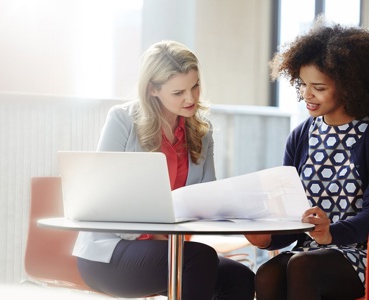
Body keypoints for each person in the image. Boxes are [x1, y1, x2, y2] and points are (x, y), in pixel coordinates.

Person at [73, 40, 255, 300]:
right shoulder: (123, 119)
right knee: (200, 258)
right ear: (152, 90)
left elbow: (207, 196)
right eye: (178, 92)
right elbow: (100, 193)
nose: (190, 98)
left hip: (173, 251)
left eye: (195, 86)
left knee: (240, 277)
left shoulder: (201, 131)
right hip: (110, 252)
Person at [245, 17, 369, 300]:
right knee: (267, 274)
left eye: (319, 87)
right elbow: (292, 214)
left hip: (358, 253)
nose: (307, 95)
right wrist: (266, 238)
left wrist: (330, 234)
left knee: (301, 266)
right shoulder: (301, 136)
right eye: (302, 84)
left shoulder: (366, 136)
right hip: (309, 250)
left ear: (350, 86)